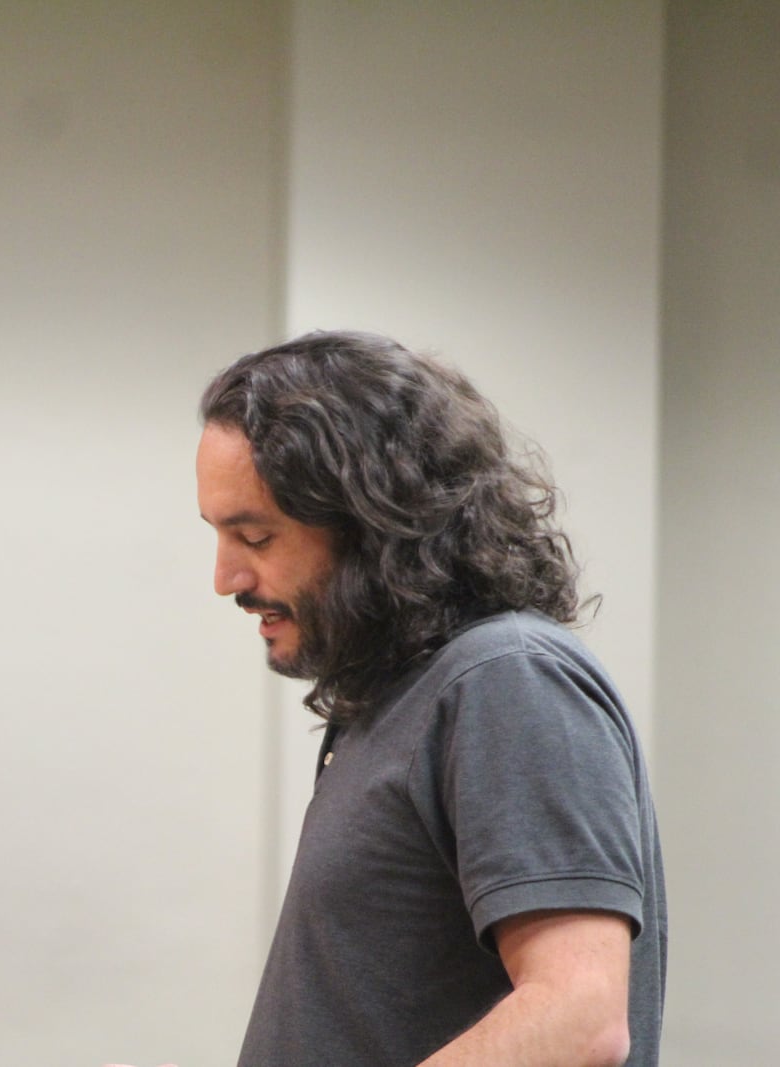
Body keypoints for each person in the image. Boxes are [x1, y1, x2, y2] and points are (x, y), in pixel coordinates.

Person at [175, 331, 664, 1066]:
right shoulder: (395, 702)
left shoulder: (505, 678)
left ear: (374, 521)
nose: (226, 578)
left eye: (255, 535)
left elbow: (578, 1018)